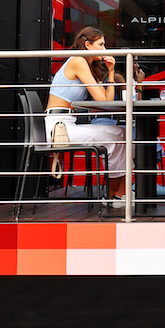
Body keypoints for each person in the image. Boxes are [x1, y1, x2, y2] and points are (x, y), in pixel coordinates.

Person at [44, 26, 129, 208]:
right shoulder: (78, 61)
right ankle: (115, 195)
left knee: (122, 133)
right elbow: (103, 101)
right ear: (87, 45)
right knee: (118, 138)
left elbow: (106, 102)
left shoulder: (86, 64)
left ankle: (117, 194)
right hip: (59, 127)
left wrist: (111, 72)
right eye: (101, 44)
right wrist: (111, 73)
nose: (104, 50)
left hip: (68, 124)